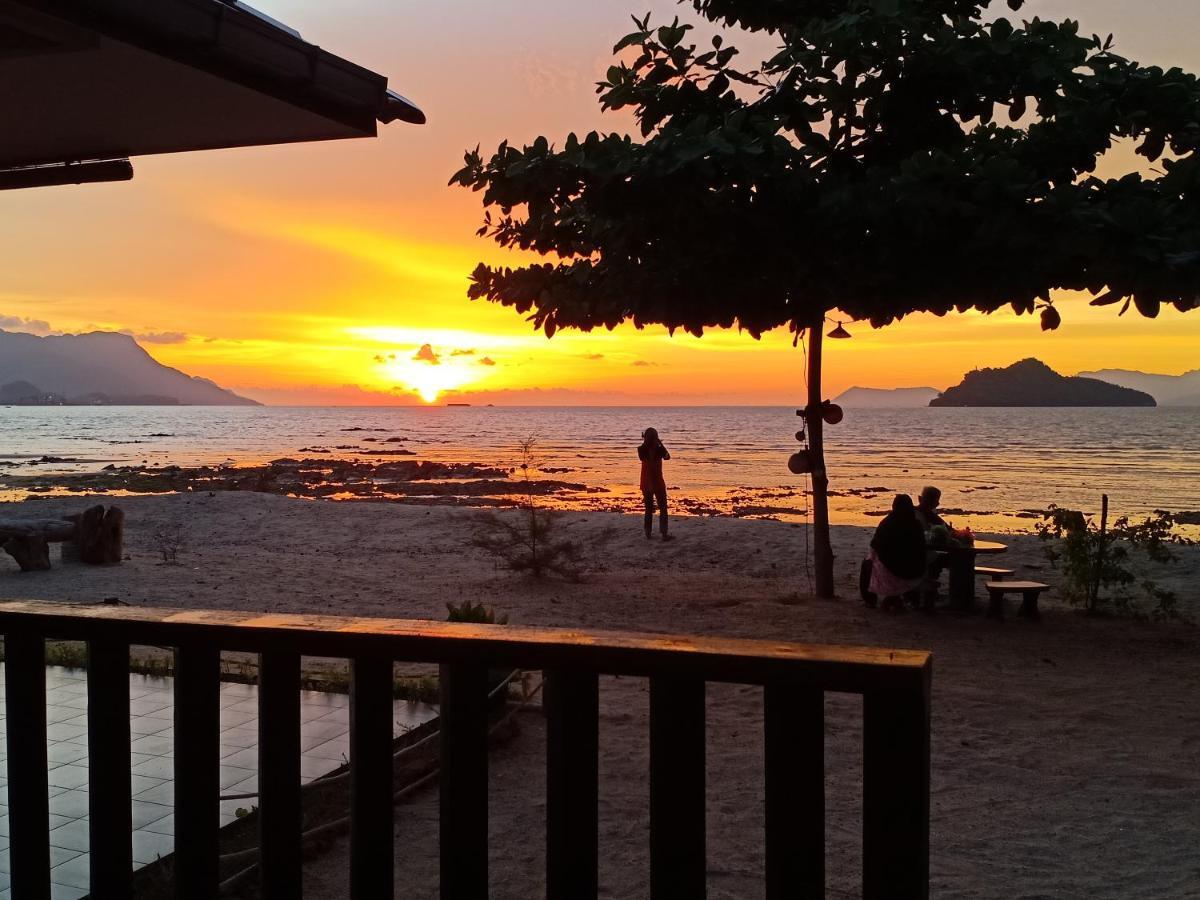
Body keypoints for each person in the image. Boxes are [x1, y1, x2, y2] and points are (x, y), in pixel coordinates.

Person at [866, 494, 927, 611]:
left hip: (891, 569)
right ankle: (896, 598)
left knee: (871, 558)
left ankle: (892, 597)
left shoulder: (887, 523)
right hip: (915, 570)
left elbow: (875, 544)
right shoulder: (916, 524)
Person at [638, 427, 671, 540]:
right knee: (663, 508)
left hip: (646, 482)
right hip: (657, 482)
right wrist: (660, 444)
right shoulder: (659, 449)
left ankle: (648, 533)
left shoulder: (641, 450)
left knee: (648, 508)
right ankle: (664, 533)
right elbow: (667, 457)